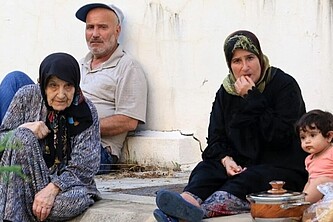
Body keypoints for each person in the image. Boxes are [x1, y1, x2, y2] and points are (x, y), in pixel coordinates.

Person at [153, 30, 308, 222]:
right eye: (237, 61)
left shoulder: (284, 85)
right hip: (240, 165)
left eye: (250, 58)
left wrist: (252, 97)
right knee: (206, 169)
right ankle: (187, 202)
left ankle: (188, 214)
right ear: (229, 64)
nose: (245, 67)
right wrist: (226, 160)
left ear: (260, 57)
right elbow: (215, 137)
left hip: (279, 168)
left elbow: (281, 135)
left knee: (247, 179)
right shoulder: (225, 92)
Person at [0, 52, 101, 222]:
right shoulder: (26, 97)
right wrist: (24, 128)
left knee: (76, 200)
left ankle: (18, 209)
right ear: (43, 85)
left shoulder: (86, 111)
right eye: (53, 86)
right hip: (21, 181)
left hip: (64, 188)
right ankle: (27, 206)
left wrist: (53, 189)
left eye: (68, 86)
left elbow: (85, 167)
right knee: (22, 137)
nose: (61, 94)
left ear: (76, 86)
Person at [75, 3, 148, 174]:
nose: (94, 34)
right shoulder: (77, 66)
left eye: (102, 27)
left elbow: (128, 121)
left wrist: (78, 128)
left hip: (97, 149)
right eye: (90, 27)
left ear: (117, 31)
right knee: (16, 80)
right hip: (61, 142)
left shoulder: (127, 67)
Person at [295, 109, 333, 203]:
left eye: (312, 135)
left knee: (320, 181)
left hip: (330, 193)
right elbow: (309, 182)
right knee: (314, 182)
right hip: (319, 198)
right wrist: (303, 194)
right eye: (303, 137)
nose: (307, 141)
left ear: (329, 136)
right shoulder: (309, 159)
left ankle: (299, 206)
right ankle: (300, 204)